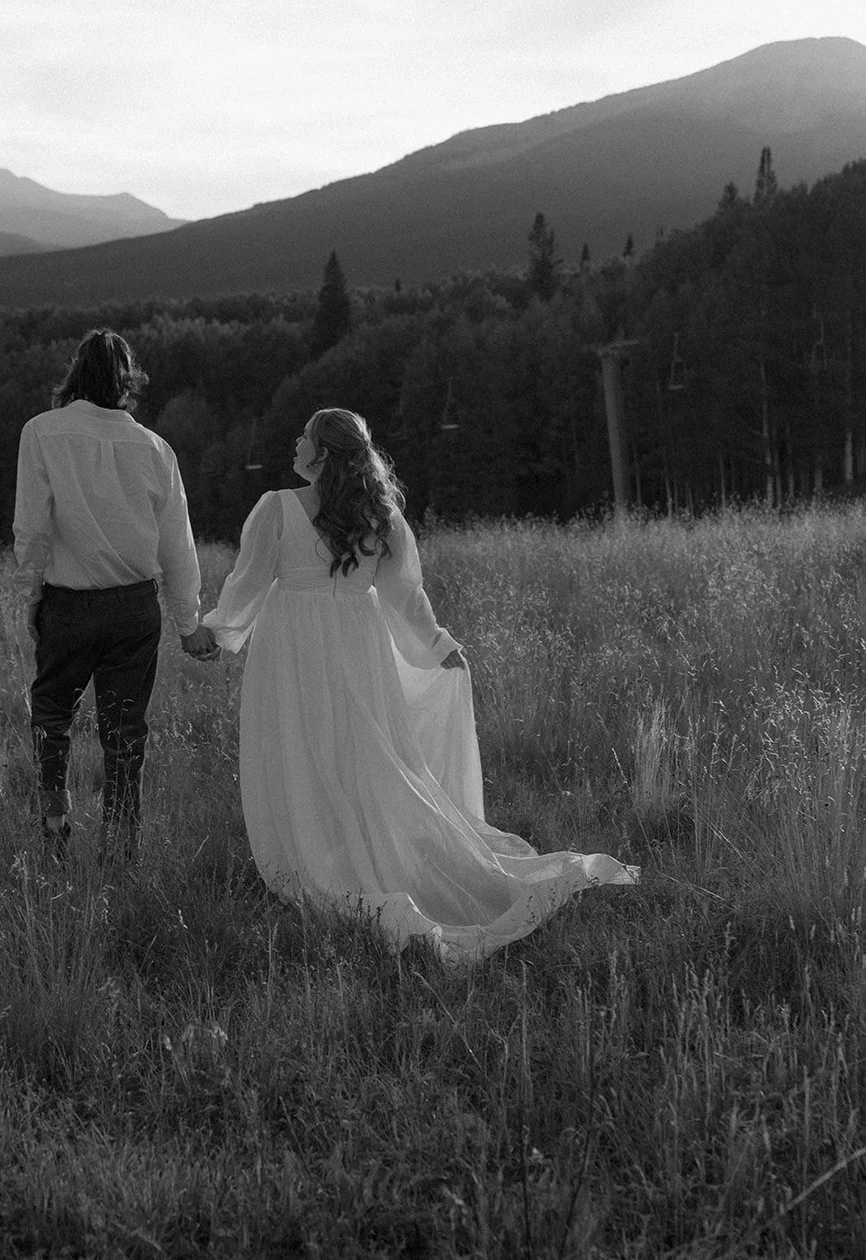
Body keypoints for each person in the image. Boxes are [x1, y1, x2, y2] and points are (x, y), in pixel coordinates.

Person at [203, 408, 638, 962]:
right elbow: (406, 599)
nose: (294, 441)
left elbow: (247, 586)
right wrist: (432, 642)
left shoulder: (281, 509)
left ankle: (334, 859)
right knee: (358, 756)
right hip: (352, 650)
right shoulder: (376, 516)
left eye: (304, 436)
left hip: (297, 652)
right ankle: (347, 849)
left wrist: (216, 633)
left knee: (318, 753)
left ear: (323, 453)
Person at [13, 328, 217, 859]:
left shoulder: (41, 432)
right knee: (125, 730)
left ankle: (55, 826)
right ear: (128, 381)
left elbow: (32, 529)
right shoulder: (156, 448)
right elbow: (179, 545)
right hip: (135, 609)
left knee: (52, 716)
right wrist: (188, 623)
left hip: (69, 604)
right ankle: (122, 843)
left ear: (75, 374)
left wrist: (31, 594)